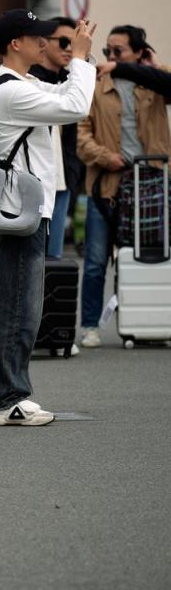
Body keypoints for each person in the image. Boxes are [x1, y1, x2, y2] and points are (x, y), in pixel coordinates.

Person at [0, 9, 96, 426]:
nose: (46, 43)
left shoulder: (24, 83)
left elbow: (66, 96)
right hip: (19, 212)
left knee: (5, 305)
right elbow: (77, 105)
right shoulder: (11, 92)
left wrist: (77, 59)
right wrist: (80, 57)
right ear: (16, 43)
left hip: (20, 208)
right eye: (38, 37)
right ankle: (5, 398)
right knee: (17, 309)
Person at [76, 25, 170, 349]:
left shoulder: (154, 84)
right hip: (107, 184)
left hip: (150, 187)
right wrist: (106, 157)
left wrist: (152, 66)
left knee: (146, 258)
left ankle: (142, 324)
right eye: (107, 52)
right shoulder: (96, 85)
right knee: (96, 260)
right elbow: (81, 137)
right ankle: (90, 325)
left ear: (138, 53)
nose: (110, 58)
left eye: (118, 52)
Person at [28, 17, 86, 259]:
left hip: (62, 182)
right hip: (34, 184)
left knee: (54, 261)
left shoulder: (69, 79)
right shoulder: (30, 79)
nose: (70, 49)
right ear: (43, 42)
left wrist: (72, 175)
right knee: (30, 261)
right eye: (64, 42)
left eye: (75, 43)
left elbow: (74, 136)